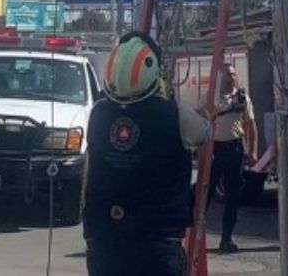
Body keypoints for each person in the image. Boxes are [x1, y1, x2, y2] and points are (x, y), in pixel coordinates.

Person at [83, 31, 210, 276]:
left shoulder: (98, 114)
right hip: (158, 242)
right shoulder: (178, 115)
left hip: (104, 242)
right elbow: (205, 132)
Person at [207, 63, 258, 253]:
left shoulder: (242, 98)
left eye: (234, 74)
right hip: (215, 150)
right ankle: (196, 237)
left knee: (233, 198)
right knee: (205, 196)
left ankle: (226, 240)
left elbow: (251, 126)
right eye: (228, 75)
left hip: (235, 149)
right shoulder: (211, 98)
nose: (232, 78)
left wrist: (252, 152)